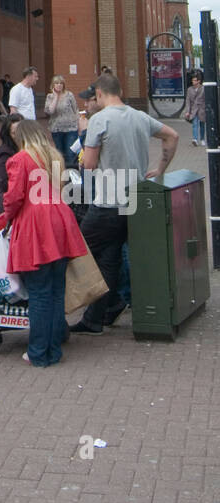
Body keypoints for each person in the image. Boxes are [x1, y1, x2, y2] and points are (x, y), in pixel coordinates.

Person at [72, 72, 178, 335]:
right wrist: (160, 168)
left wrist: (85, 137)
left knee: (77, 250)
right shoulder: (139, 116)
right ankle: (97, 318)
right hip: (134, 202)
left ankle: (58, 310)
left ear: (99, 93)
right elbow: (172, 136)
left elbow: (89, 164)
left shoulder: (99, 121)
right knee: (109, 260)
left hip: (107, 203)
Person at [0, 120, 88, 367]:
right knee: (56, 289)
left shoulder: (20, 159)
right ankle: (53, 348)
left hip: (36, 223)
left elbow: (13, 198)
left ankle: (38, 351)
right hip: (60, 219)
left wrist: (6, 219)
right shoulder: (53, 156)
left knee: (38, 292)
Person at [44, 75, 80, 166]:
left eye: (61, 83)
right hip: (56, 129)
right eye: (56, 83)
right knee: (59, 153)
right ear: (53, 85)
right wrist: (56, 97)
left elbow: (75, 109)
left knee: (70, 153)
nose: (59, 85)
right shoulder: (50, 96)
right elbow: (50, 111)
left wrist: (78, 124)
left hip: (70, 128)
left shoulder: (69, 95)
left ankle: (71, 174)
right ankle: (61, 174)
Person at [0, 113, 24, 215]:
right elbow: (3, 182)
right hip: (10, 205)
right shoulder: (5, 152)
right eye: (14, 133)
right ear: (8, 134)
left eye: (21, 132)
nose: (18, 136)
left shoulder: (27, 148)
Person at [184, 71, 206, 147]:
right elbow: (188, 101)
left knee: (202, 125)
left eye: (194, 80)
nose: (193, 81)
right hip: (194, 110)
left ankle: (202, 139)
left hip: (202, 110)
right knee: (195, 124)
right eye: (192, 80)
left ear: (199, 81)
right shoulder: (190, 89)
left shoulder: (203, 88)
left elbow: (206, 100)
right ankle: (195, 139)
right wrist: (187, 111)